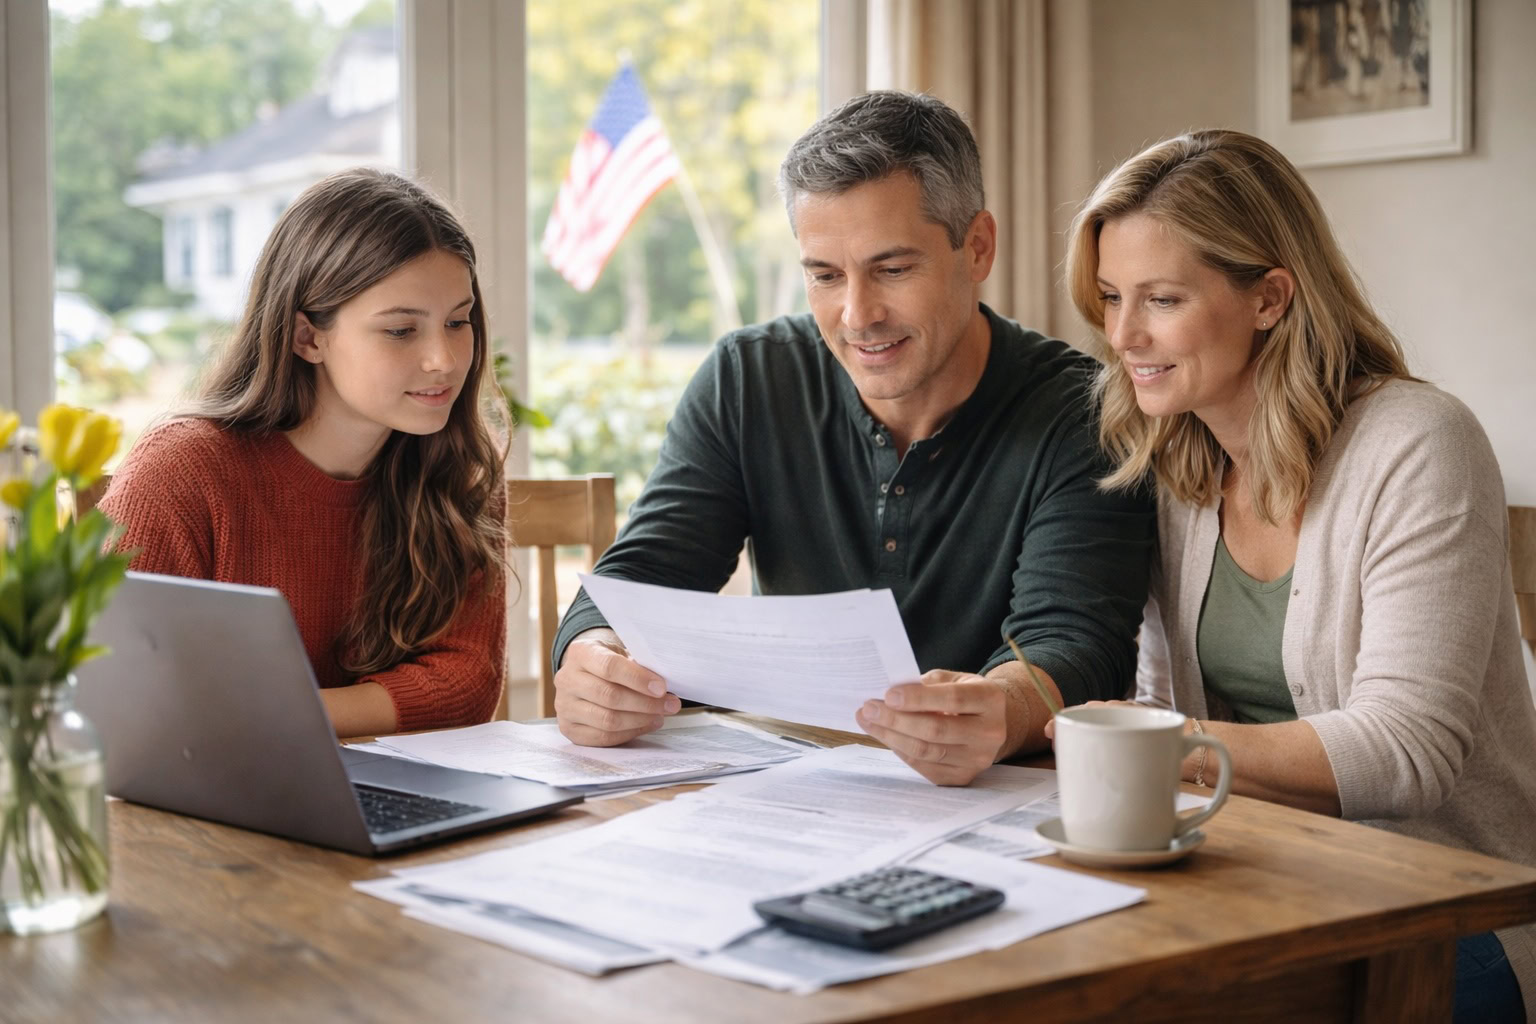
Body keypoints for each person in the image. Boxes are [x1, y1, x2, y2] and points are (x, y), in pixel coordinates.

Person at [1061, 128, 1536, 1021]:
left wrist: (1159, 744)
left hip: (1455, 912)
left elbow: (1404, 753)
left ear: (1271, 296)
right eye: (1114, 296)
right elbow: (1173, 720)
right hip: (1269, 884)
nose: (1122, 335)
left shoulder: (1420, 444)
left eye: (1160, 299)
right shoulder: (1177, 458)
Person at [551, 90, 1155, 786]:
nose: (857, 314)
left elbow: (1077, 641)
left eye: (892, 270)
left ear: (977, 246)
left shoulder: (1081, 409)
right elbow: (645, 571)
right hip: (781, 787)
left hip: (996, 800)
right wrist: (591, 655)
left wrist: (1004, 708)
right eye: (825, 276)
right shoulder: (748, 378)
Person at [100, 169, 509, 739]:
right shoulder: (181, 472)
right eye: (400, 331)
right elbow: (120, 688)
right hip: (211, 800)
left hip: (392, 791)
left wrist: (268, 715)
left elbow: (464, 684)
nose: (444, 359)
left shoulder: (458, 465)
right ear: (307, 337)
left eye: (458, 322)